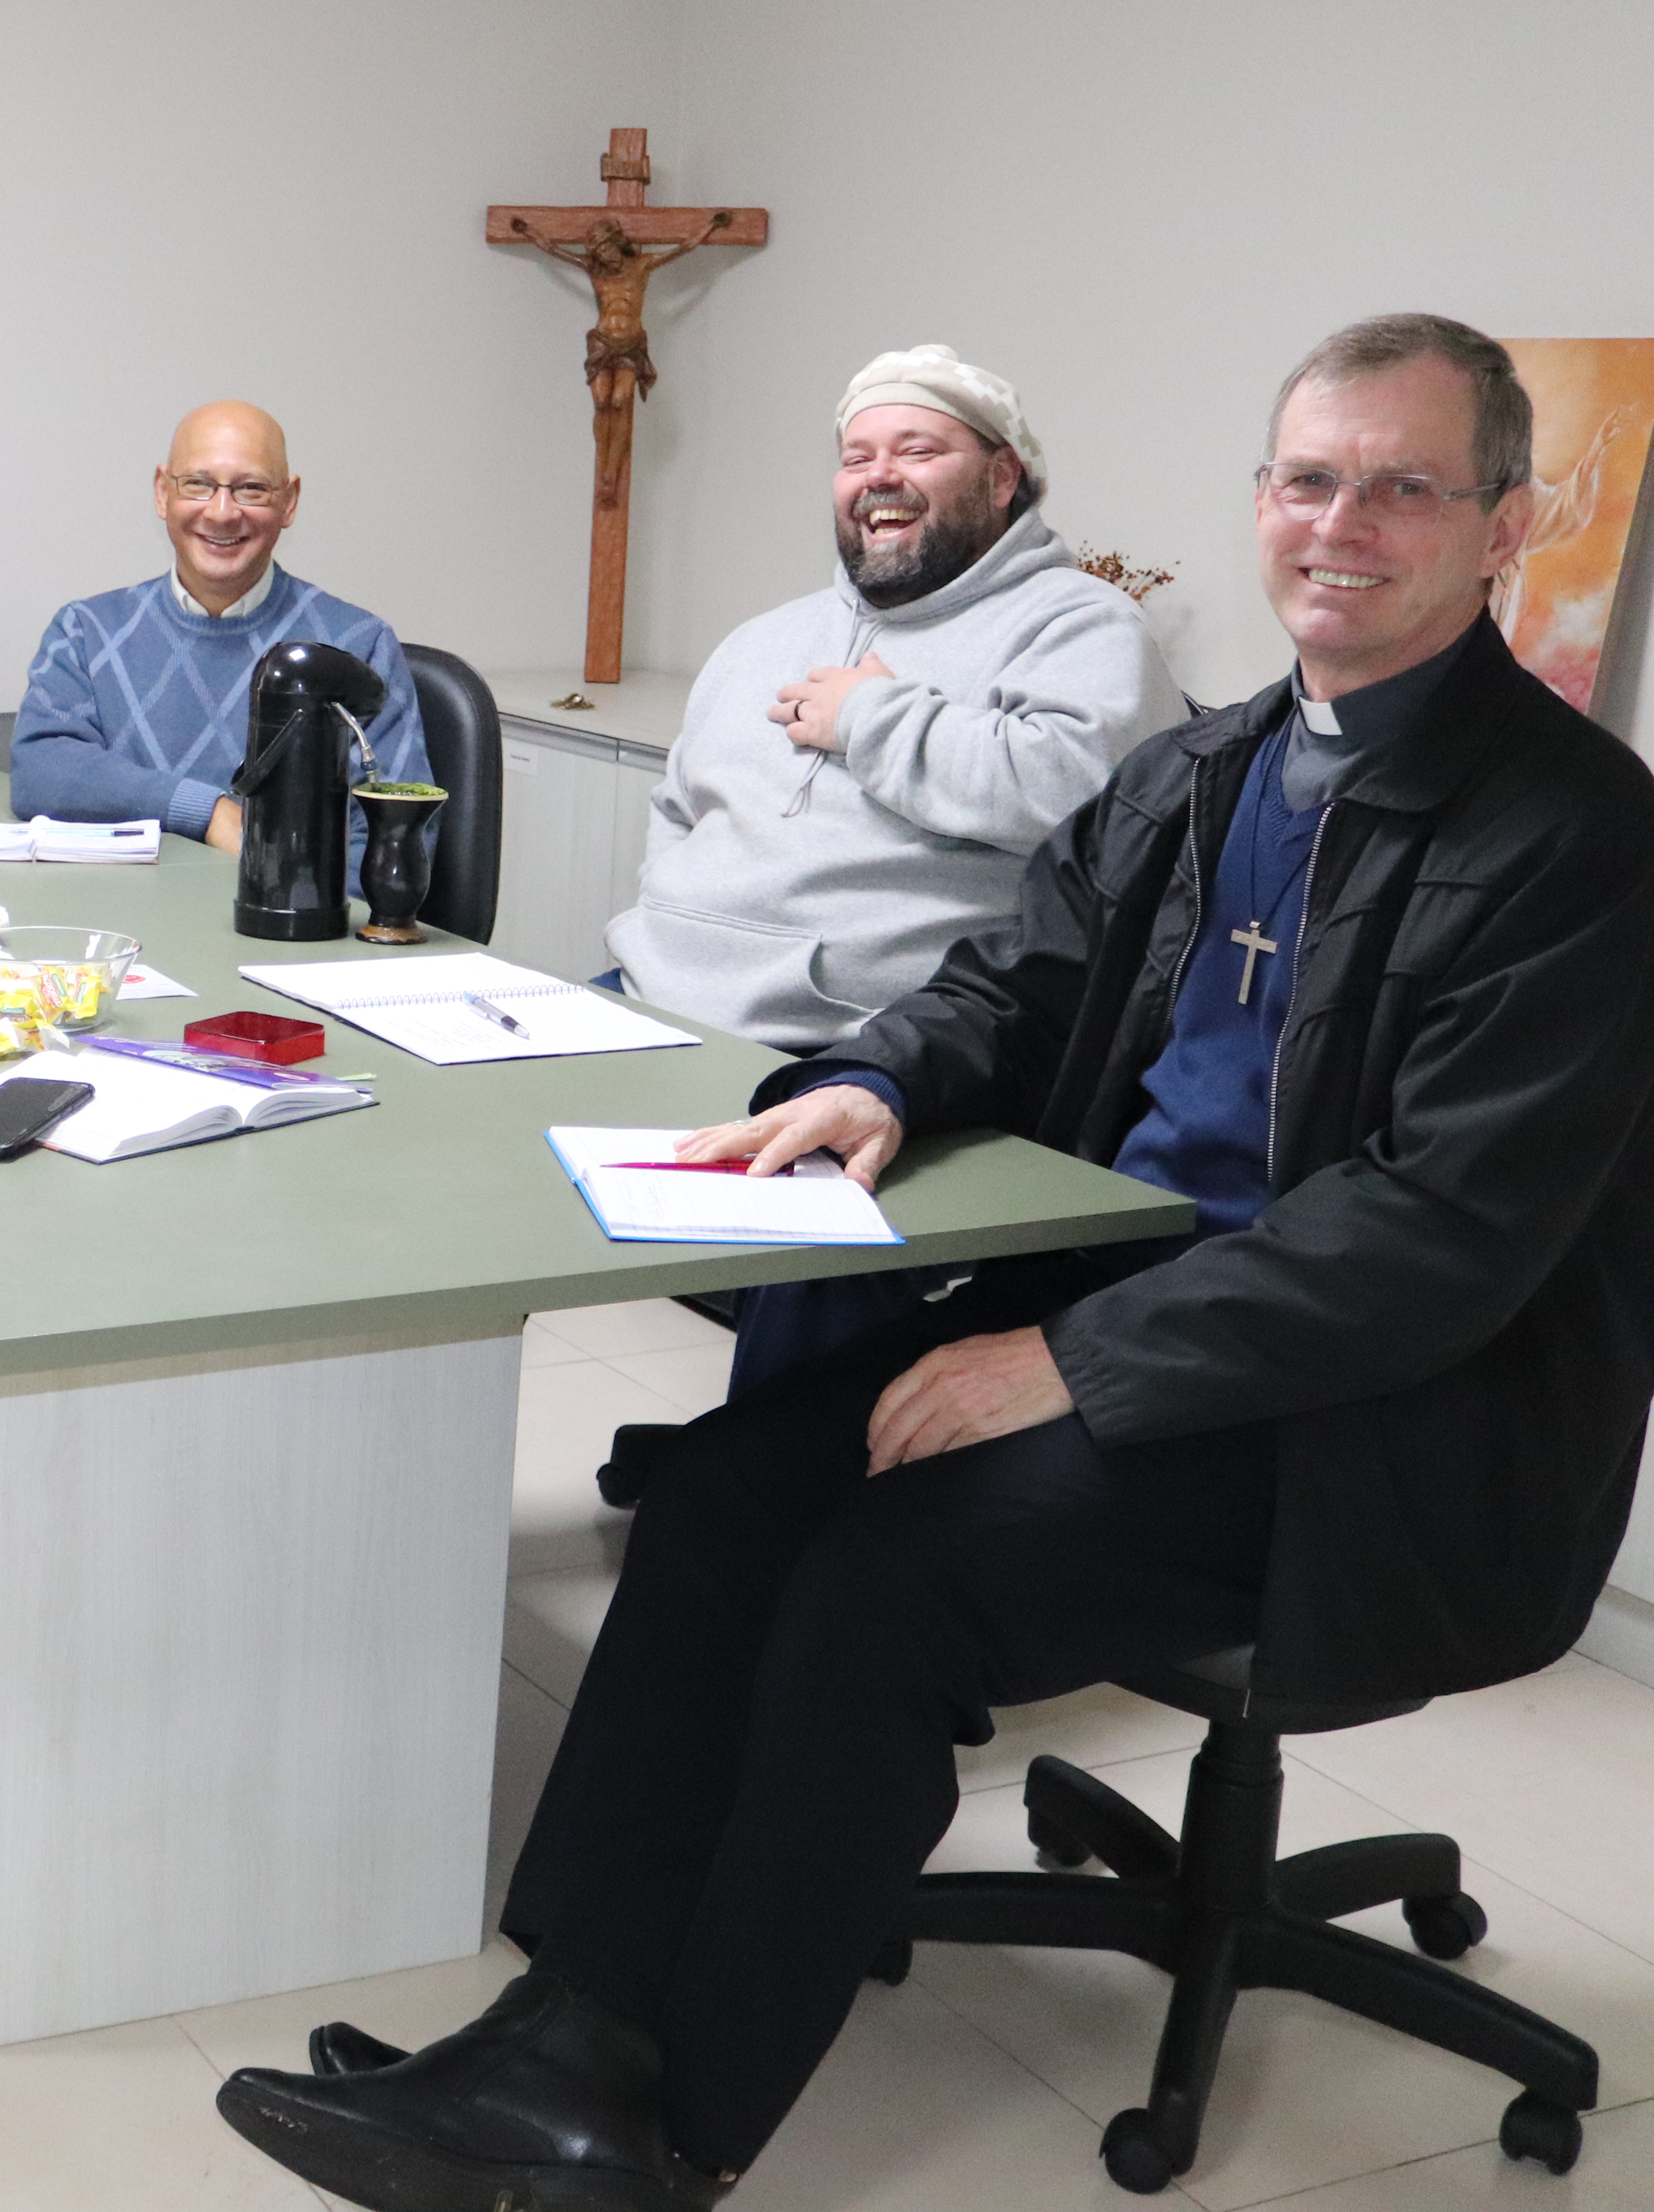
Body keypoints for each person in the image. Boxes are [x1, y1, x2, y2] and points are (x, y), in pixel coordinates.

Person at [215, 314, 1654, 2211]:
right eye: (1309, 479)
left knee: (883, 1584)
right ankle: (555, 2026)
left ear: (1497, 528)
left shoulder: (1574, 835)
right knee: (728, 1488)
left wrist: (1064, 1366)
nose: (1343, 525)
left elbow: (1433, 1237)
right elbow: (1016, 967)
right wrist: (879, 1078)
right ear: (1258, 505)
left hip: (1371, 1419)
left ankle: (664, 2134)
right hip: (1137, 1315)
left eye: (1402, 485)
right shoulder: (1211, 771)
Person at [606, 345, 1177, 1050]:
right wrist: (669, 913)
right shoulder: (762, 637)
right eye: (856, 458)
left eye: (918, 451)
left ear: (1002, 479)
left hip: (852, 1044)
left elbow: (1090, 803)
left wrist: (871, 717)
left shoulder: (1082, 624)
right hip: (645, 993)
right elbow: (676, 809)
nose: (879, 476)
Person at [11, 400, 427, 851]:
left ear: (289, 502)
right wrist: (206, 811)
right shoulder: (87, 632)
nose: (222, 512)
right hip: (116, 916)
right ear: (161, 493)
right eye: (198, 484)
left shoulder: (359, 649)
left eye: (251, 489)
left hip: (279, 922)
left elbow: (397, 846)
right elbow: (40, 770)